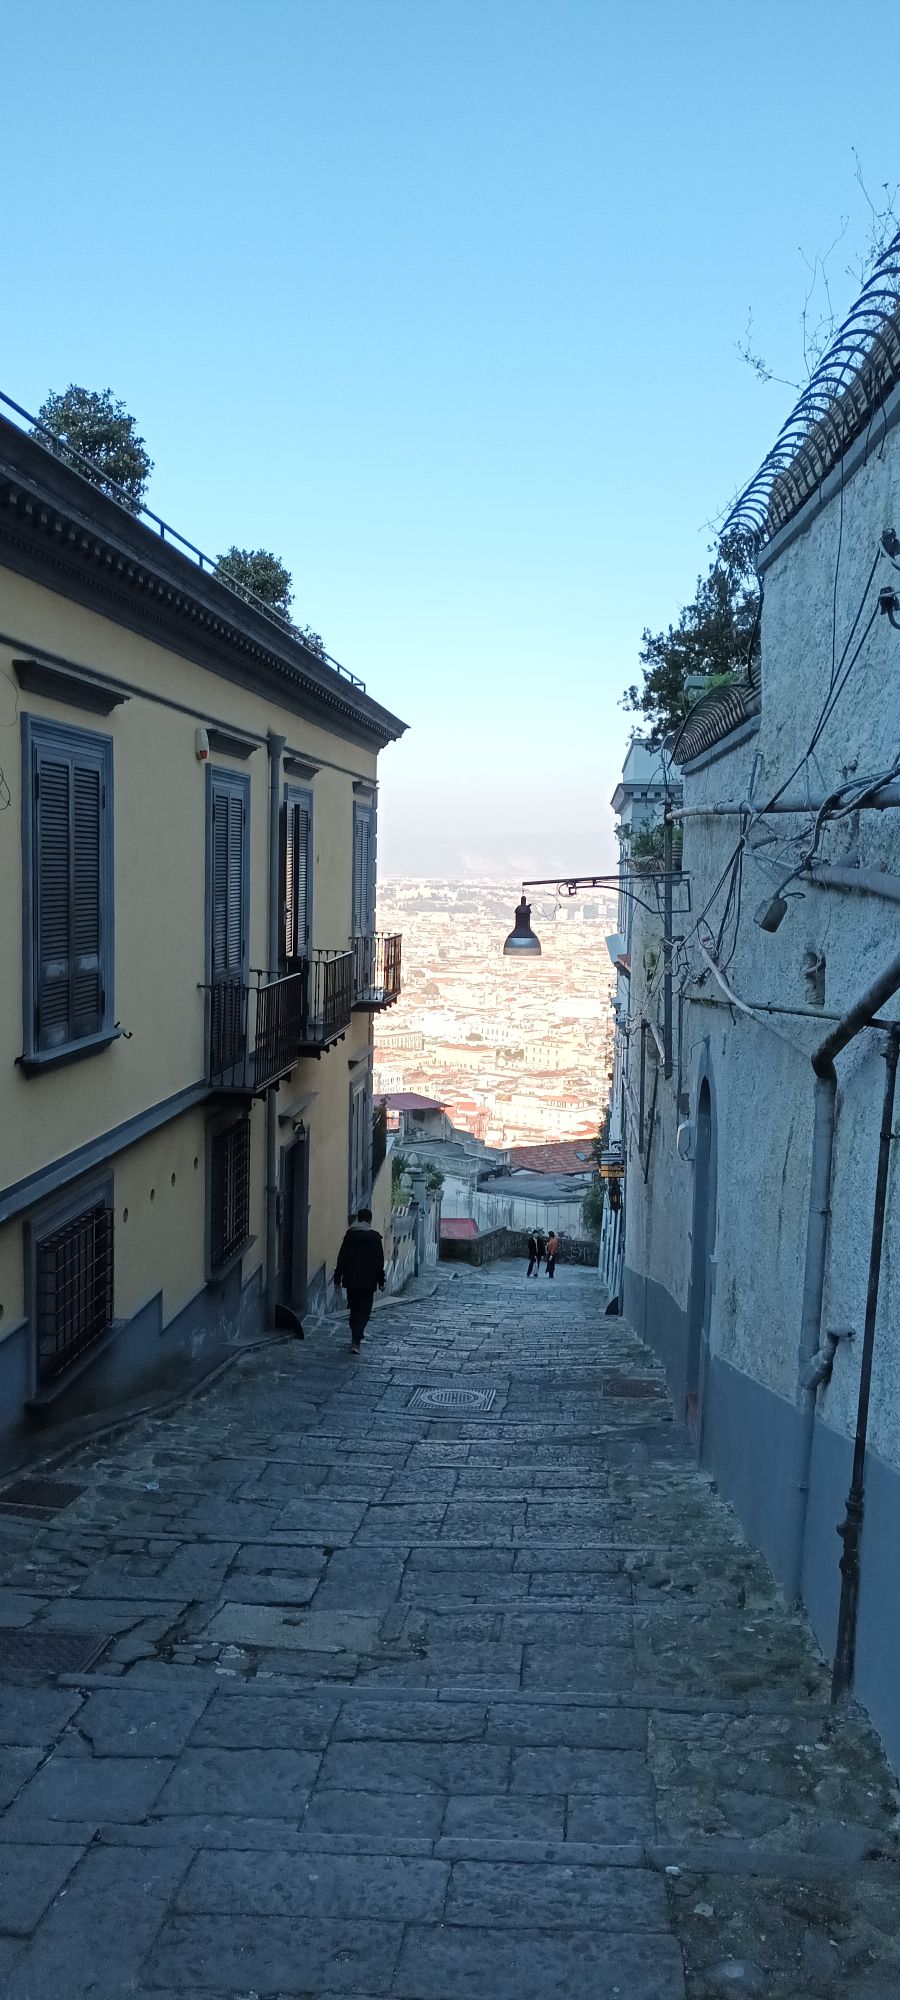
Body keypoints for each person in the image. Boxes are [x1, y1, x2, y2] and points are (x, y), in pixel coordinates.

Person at [333, 1208, 385, 1352]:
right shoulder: (375, 1238)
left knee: (354, 1308)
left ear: (358, 1219)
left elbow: (342, 1258)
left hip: (351, 1280)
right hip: (368, 1282)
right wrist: (381, 1280)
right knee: (364, 1310)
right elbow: (379, 1262)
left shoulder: (350, 1235)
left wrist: (337, 1278)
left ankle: (355, 1336)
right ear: (370, 1220)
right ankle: (356, 1338)